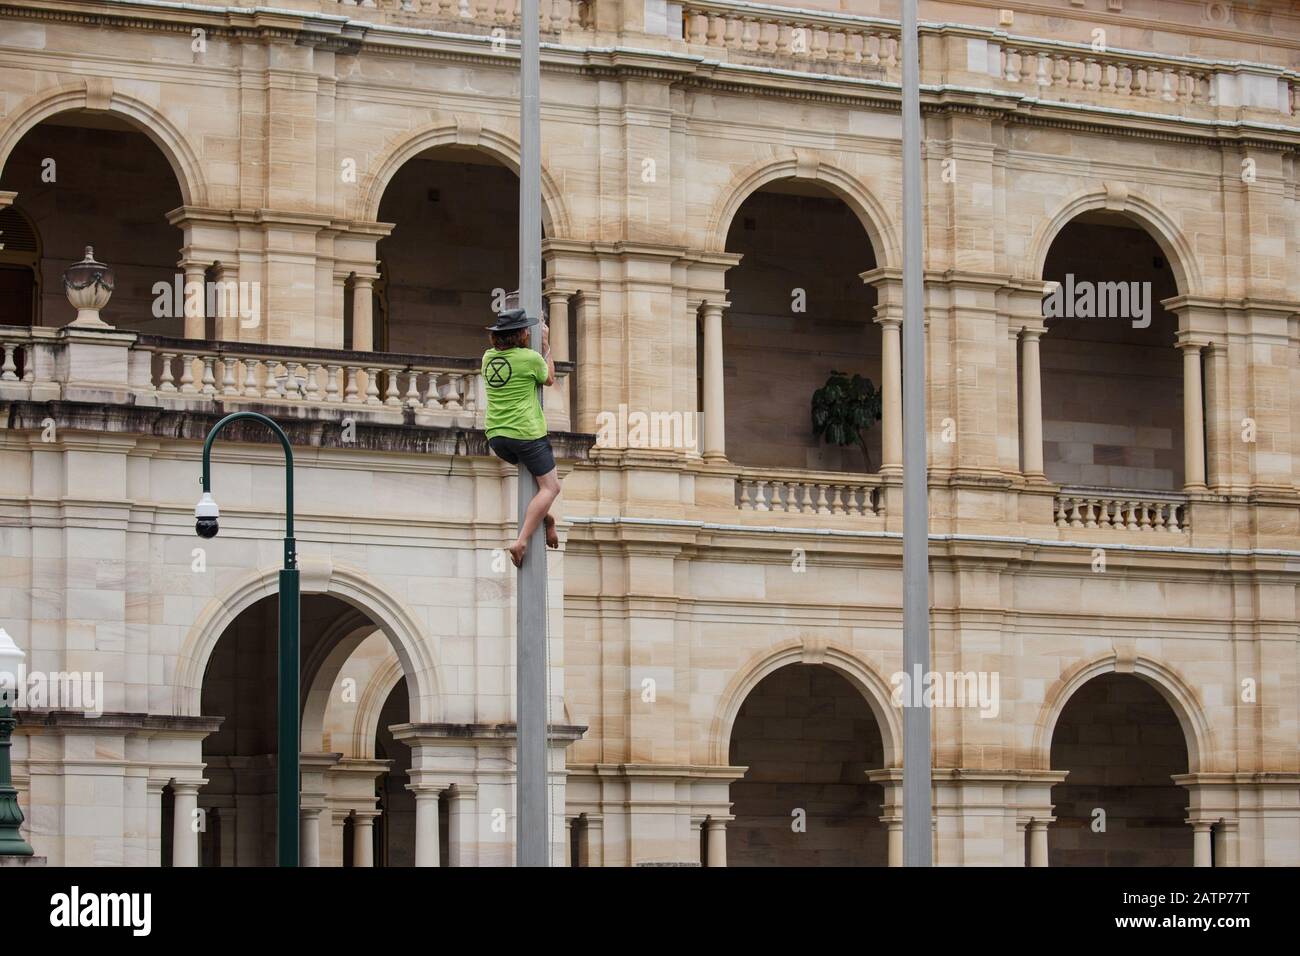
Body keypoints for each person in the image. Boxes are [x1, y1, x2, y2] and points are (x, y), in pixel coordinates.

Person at [482, 307, 560, 568]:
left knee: (536, 484)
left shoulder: (488, 358)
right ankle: (522, 540)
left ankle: (545, 518)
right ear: (521, 335)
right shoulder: (530, 358)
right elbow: (549, 378)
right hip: (526, 433)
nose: (530, 331)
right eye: (526, 329)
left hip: (496, 436)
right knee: (551, 487)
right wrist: (546, 346)